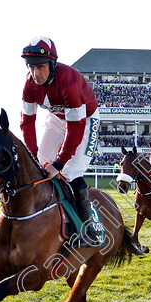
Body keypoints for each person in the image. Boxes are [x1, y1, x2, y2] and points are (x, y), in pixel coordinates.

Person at [20, 36, 102, 247]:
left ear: (52, 64)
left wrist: (59, 163)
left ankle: (88, 230)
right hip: (58, 117)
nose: (35, 74)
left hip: (85, 120)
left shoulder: (70, 81)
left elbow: (75, 129)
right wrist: (33, 153)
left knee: (70, 171)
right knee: (40, 162)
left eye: (40, 67)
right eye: (31, 67)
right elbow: (27, 123)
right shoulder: (28, 84)